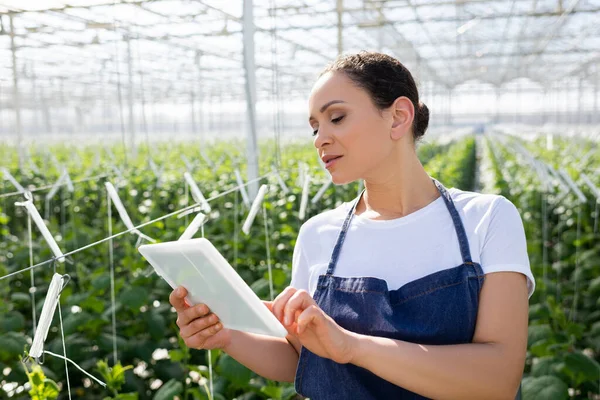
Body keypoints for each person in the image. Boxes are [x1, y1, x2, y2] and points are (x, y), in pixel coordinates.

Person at [169, 51, 535, 399]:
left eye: (336, 118)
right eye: (314, 127)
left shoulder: (487, 219)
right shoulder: (318, 234)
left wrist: (351, 346)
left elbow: (498, 380)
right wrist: (226, 335)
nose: (319, 139)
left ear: (398, 116)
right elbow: (300, 357)